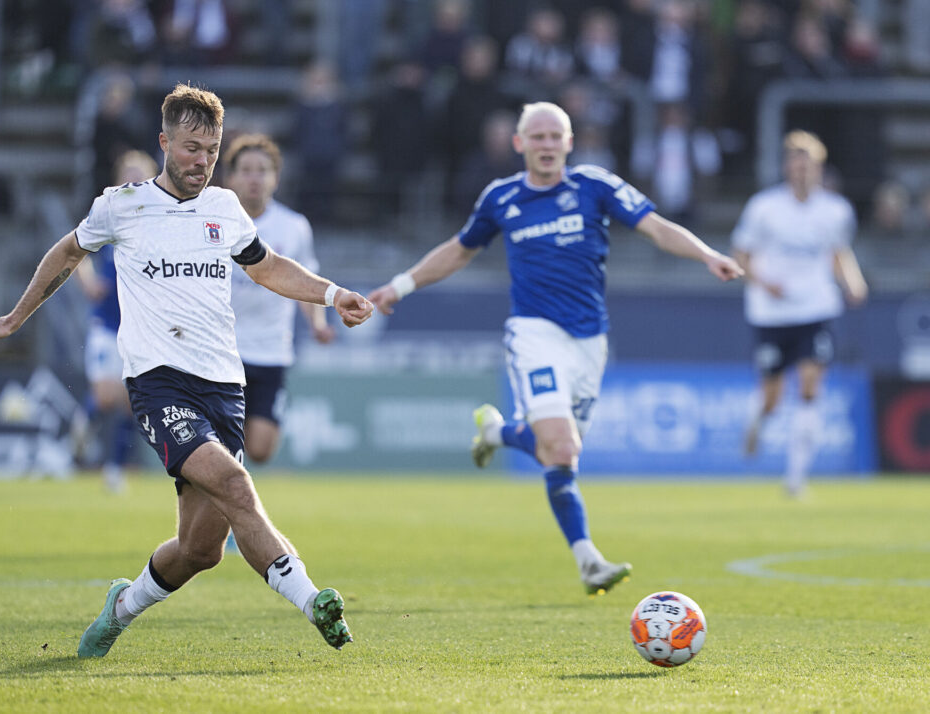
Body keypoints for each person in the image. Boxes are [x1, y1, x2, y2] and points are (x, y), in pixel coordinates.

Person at [0, 84, 372, 656]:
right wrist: (15, 317)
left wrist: (333, 294)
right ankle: (314, 601)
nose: (202, 161)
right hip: (159, 382)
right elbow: (67, 252)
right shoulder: (123, 204)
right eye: (192, 148)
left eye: (211, 149)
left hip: (224, 386)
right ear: (164, 142)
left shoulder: (225, 208)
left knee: (199, 551)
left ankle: (122, 605)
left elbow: (267, 269)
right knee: (237, 483)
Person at [368, 102, 743, 596]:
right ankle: (589, 559)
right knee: (562, 446)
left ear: (570, 143)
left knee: (559, 452)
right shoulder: (501, 198)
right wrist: (400, 286)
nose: (546, 145)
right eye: (536, 137)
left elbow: (655, 226)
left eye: (555, 136)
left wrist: (707, 254)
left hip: (590, 342)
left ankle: (499, 432)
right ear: (519, 144)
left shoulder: (595, 186)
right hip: (534, 335)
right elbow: (459, 249)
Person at [733, 130, 868, 498]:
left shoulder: (836, 210)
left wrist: (852, 282)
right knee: (773, 396)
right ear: (786, 168)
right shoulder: (764, 208)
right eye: (795, 164)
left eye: (808, 165)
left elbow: (838, 252)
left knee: (810, 385)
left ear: (819, 168)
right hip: (772, 313)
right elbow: (741, 255)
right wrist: (764, 283)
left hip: (816, 308)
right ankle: (757, 420)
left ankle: (795, 478)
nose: (802, 171)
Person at [223, 133, 335, 467]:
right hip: (224, 351)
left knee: (259, 449)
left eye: (262, 170)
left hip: (272, 350)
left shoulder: (294, 227)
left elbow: (304, 282)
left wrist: (318, 324)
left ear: (276, 178)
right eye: (246, 170)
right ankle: (225, 502)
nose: (254, 178)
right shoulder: (215, 223)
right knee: (225, 449)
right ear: (230, 178)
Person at [73, 149, 159, 492]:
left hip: (139, 329)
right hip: (107, 325)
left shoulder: (160, 221)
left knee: (129, 403)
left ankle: (113, 469)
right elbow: (77, 252)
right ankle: (87, 418)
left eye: (141, 175)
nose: (134, 181)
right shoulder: (109, 213)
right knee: (108, 396)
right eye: (129, 174)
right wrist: (89, 281)